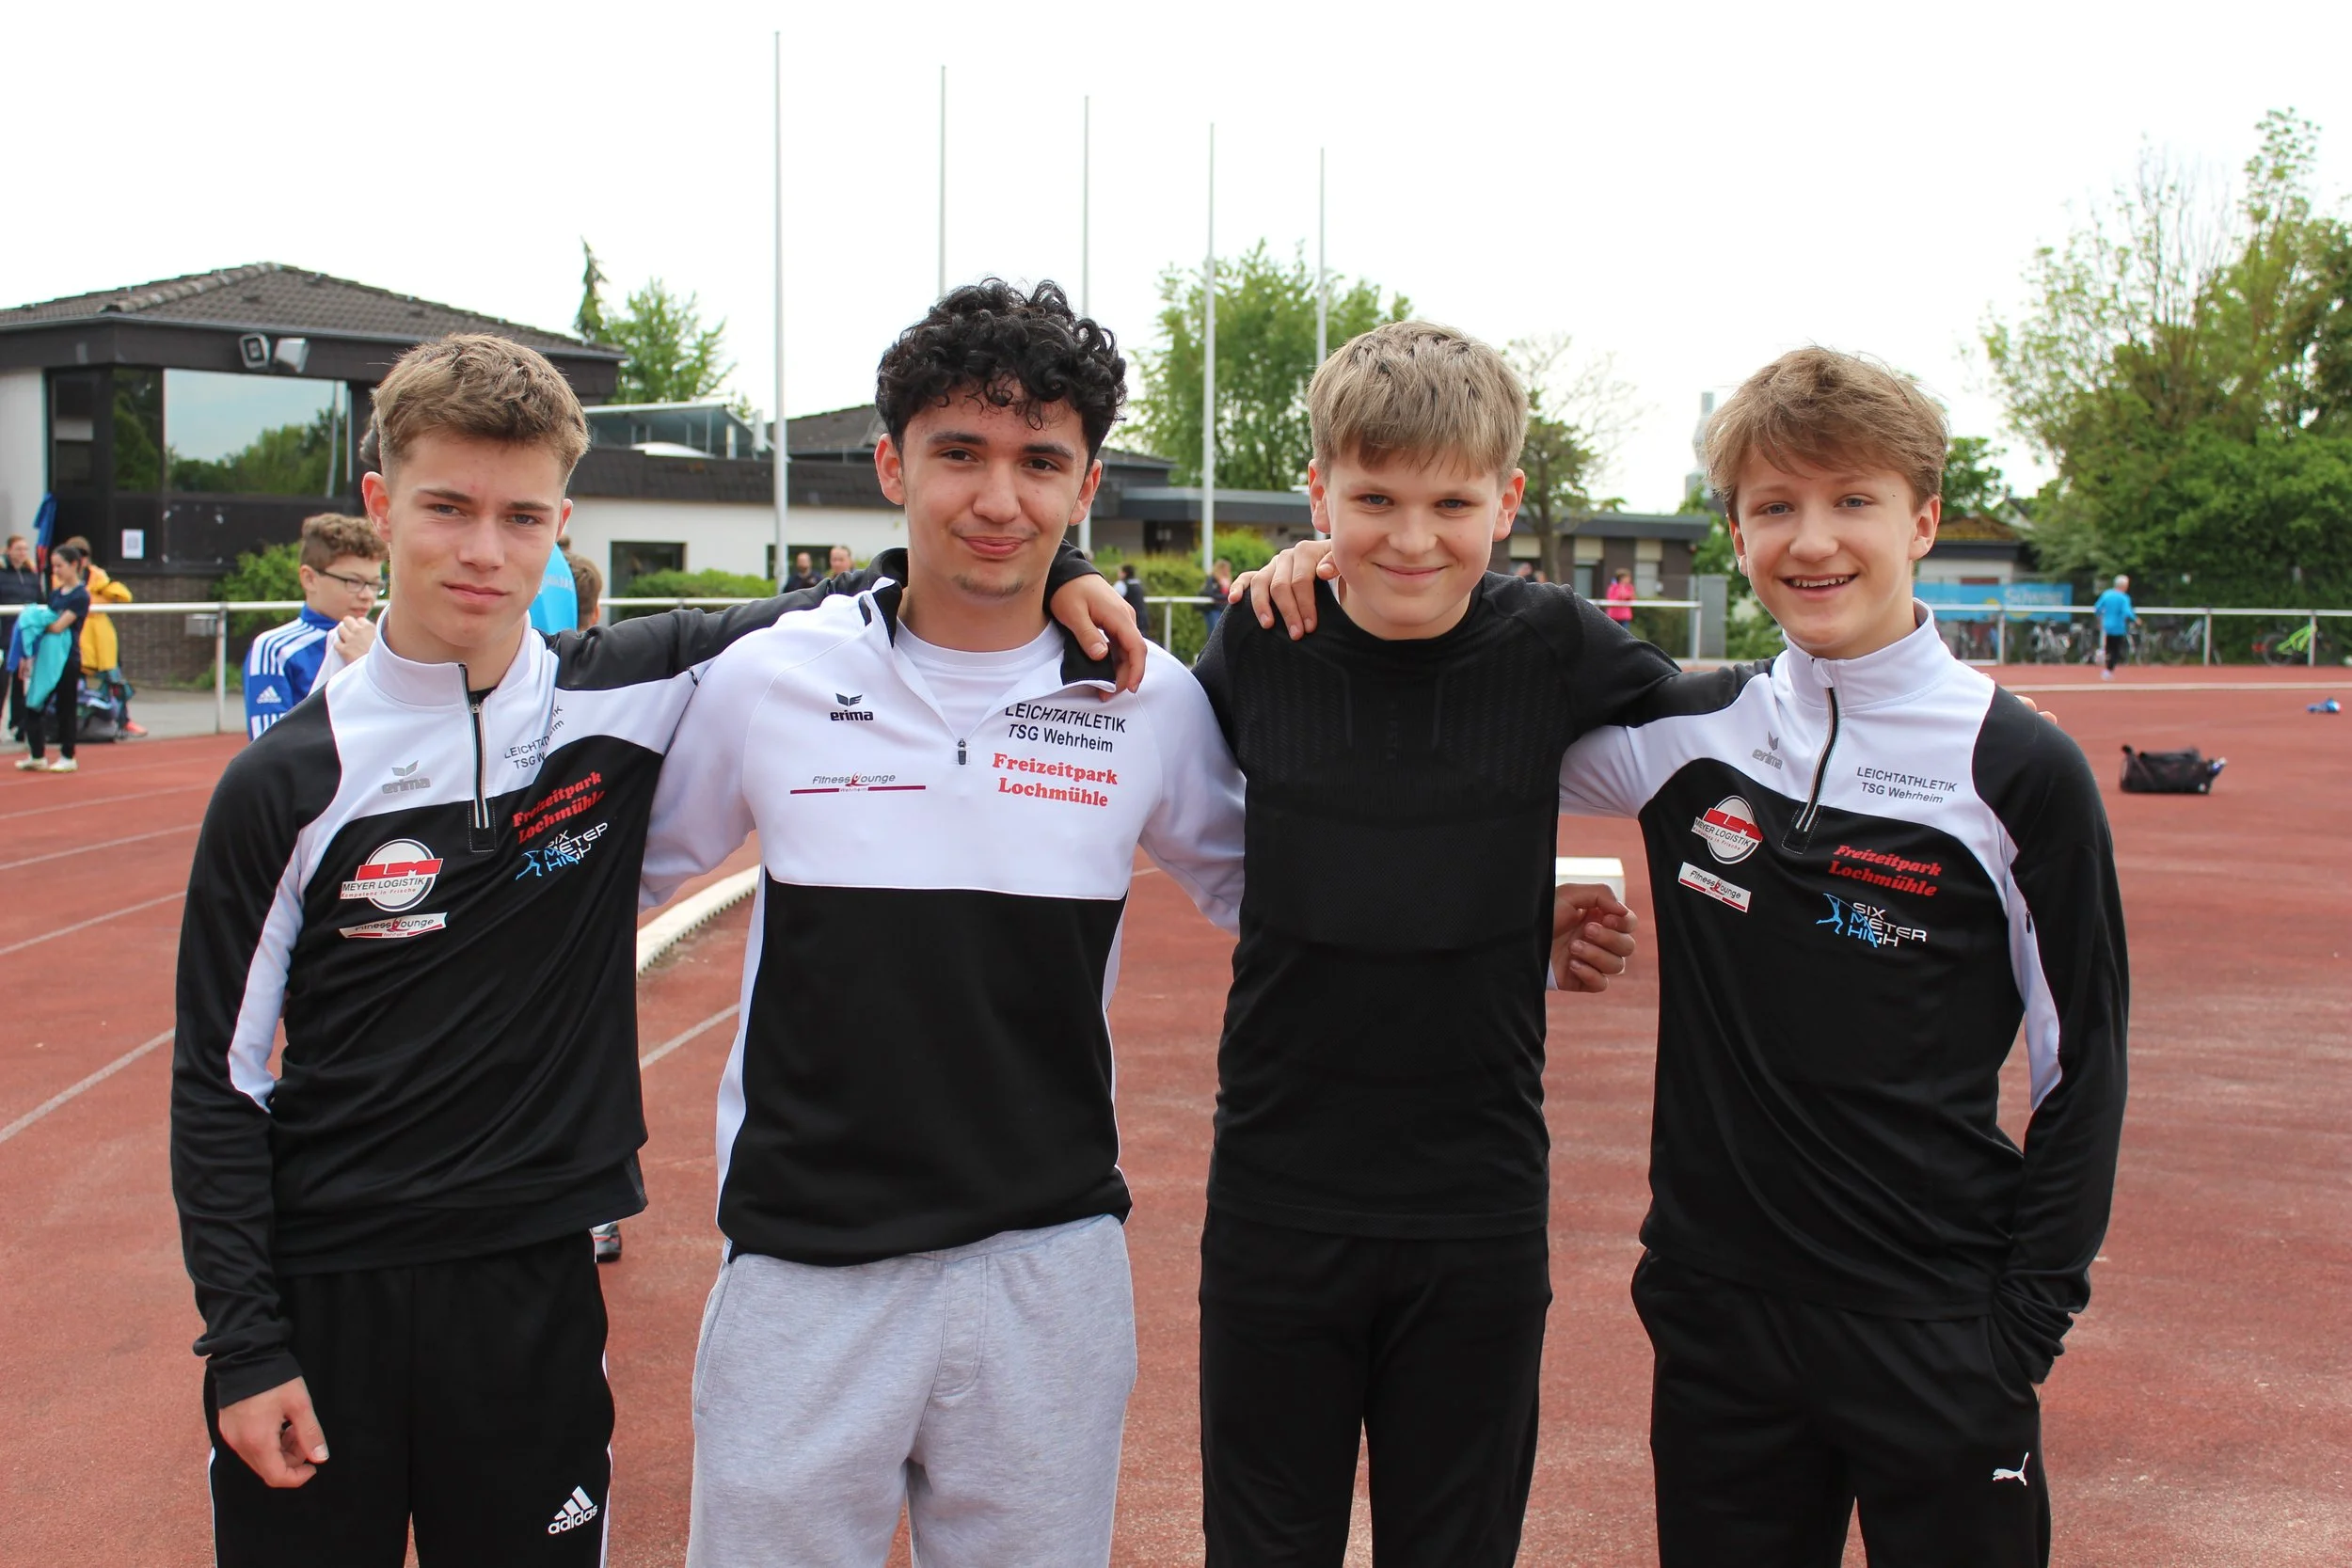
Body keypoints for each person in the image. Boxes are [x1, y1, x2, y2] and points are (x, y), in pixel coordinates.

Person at [641, 282, 1637, 1568]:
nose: (998, 497)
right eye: (959, 454)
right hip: (802, 1266)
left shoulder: (1146, 700)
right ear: (891, 464)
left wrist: (1512, 912)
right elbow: (606, 880)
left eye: (1039, 463)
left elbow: (1285, 877)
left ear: (1086, 485)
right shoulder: (770, 677)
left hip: (1048, 1268)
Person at [171, 330, 1143, 1567]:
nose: (483, 550)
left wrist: (1076, 575)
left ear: (561, 522)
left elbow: (911, 585)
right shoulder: (283, 782)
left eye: (522, 517)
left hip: (534, 1286)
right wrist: (244, 1338)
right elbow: (219, 1079)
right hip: (327, 1288)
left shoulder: (634, 690)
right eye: (447, 507)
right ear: (379, 504)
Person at [1244, 345, 2126, 1568]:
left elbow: (2083, 1060)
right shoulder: (1691, 729)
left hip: (1937, 1321)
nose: (1813, 539)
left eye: (1853, 500)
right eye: (1775, 505)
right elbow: (1443, 738)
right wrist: (1322, 575)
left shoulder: (2018, 766)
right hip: (1716, 1322)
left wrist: (2023, 1323)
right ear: (1736, 530)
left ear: (1922, 518)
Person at [1187, 322, 1668, 1568]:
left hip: (1477, 1205)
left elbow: (1743, 736)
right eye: (1372, 500)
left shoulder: (1557, 646)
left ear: (1506, 500)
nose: (1411, 537)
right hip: (1277, 1198)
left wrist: (1930, 721)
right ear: (1318, 494)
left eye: (1452, 502)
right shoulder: (1260, 641)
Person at [242, 515, 387, 741]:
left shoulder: (387, 645)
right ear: (310, 579)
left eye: (375, 584)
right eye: (354, 582)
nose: (367, 595)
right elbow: (269, 746)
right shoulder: (275, 648)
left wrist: (375, 661)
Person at [17, 541, 90, 773]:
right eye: (53, 566)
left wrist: (37, 621)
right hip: (48, 657)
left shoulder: (80, 595)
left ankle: (68, 755)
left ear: (74, 565)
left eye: (60, 566)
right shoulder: (56, 594)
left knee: (65, 707)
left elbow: (58, 626)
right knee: (34, 704)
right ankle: (37, 754)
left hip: (67, 658)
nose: (55, 571)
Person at [67, 544, 147, 737]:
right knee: (73, 684)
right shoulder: (62, 580)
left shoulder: (99, 579)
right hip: (76, 640)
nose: (81, 561)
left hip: (101, 642)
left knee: (114, 681)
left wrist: (102, 590)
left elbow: (123, 595)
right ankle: (74, 724)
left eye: (84, 556)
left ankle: (122, 720)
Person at [2, 534, 40, 742]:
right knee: (2, 681)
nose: (22, 553)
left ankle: (18, 724)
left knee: (21, 682)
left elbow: (39, 600)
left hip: (25, 637)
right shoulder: (2, 574)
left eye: (25, 549)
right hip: (5, 635)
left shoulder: (31, 575)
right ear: (8, 550)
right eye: (18, 548)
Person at [2093, 573, 2133, 680]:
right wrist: (2135, 619)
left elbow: (2097, 608)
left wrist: (2099, 618)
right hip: (2118, 626)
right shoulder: (2124, 597)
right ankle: (2108, 670)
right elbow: (2127, 611)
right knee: (2116, 649)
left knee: (2109, 646)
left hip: (2107, 624)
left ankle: (2102, 653)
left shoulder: (2107, 594)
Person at [1200, 556, 1233, 638]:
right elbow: (1210, 593)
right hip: (1213, 609)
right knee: (1214, 632)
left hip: (1223, 609)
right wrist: (1226, 597)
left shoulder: (1227, 580)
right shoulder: (1212, 579)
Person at [1116, 562, 1150, 630]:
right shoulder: (1138, 583)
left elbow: (1112, 599)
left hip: (1129, 619)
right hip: (1142, 619)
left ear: (1124, 573)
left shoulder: (1121, 585)